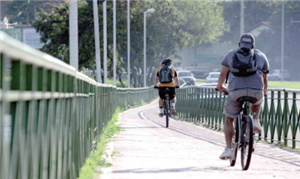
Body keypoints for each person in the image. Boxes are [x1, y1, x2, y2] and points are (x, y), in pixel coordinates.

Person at [216, 34, 269, 160]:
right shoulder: (261, 55)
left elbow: (223, 74)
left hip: (235, 91)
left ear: (239, 45)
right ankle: (255, 120)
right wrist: (264, 92)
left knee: (229, 120)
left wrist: (220, 87)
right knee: (258, 101)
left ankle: (229, 150)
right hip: (256, 91)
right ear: (253, 46)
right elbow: (265, 79)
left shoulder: (231, 54)